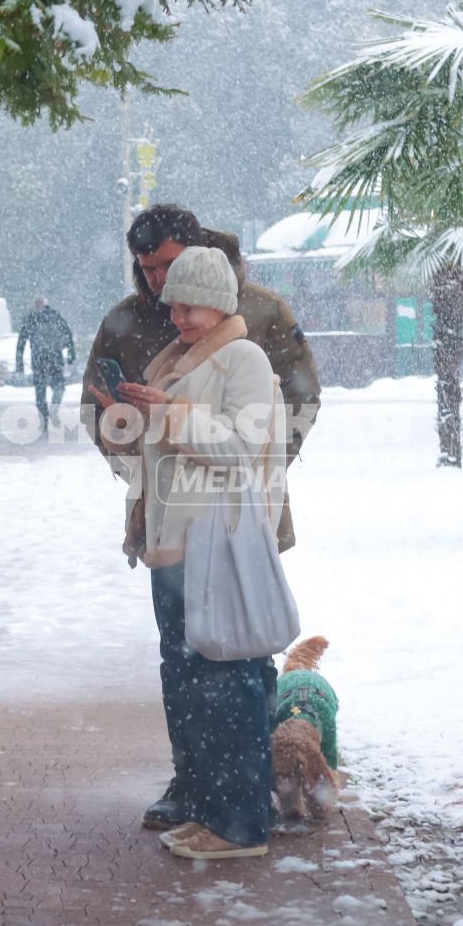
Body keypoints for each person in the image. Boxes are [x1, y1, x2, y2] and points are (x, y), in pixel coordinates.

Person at [81, 204, 320, 832]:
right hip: (167, 522)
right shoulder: (130, 321)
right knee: (184, 664)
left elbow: (291, 403)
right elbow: (108, 418)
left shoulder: (259, 316)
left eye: (165, 266)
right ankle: (199, 788)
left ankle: (252, 793)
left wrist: (254, 481)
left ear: (192, 252)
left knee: (241, 661)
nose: (159, 284)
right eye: (146, 269)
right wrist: (125, 432)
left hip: (234, 525)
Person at [16, 296, 75, 434]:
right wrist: (71, 353)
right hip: (55, 358)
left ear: (36, 306)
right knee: (59, 387)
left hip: (38, 360)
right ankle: (54, 408)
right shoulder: (56, 316)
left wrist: (19, 364)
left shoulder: (31, 319)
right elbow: (68, 334)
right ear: (47, 305)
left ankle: (43, 423)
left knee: (40, 392)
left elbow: (21, 342)